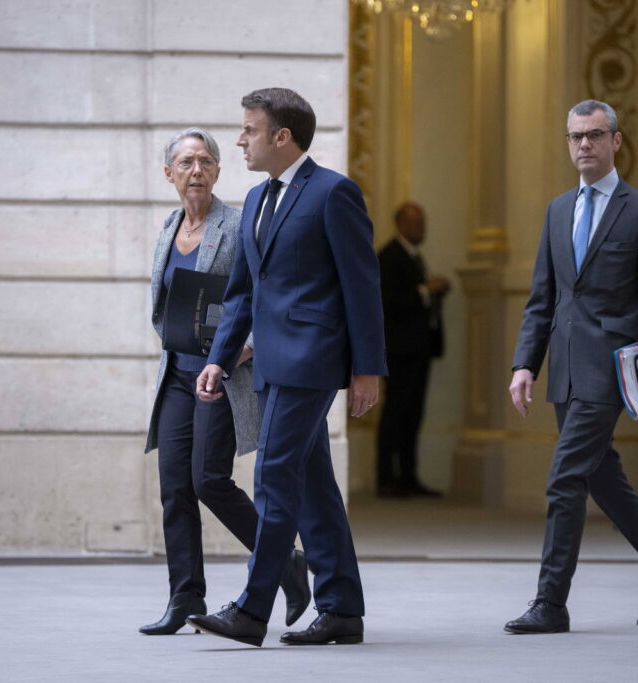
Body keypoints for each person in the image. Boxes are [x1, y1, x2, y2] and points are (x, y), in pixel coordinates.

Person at [187, 88, 387, 647]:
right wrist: (219, 359)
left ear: (282, 136)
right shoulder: (255, 199)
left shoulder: (333, 192)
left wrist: (367, 368)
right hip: (270, 365)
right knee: (314, 485)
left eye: (249, 130)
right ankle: (342, 610)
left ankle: (252, 611)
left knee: (274, 476)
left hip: (313, 360)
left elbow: (361, 285)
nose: (240, 140)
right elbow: (242, 292)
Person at [505, 100, 638, 634]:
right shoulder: (557, 210)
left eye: (594, 135)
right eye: (575, 136)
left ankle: (551, 603)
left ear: (616, 141)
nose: (584, 145)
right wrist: (525, 364)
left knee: (565, 478)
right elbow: (542, 298)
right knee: (603, 480)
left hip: (611, 369)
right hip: (565, 369)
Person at [140, 128, 309, 636]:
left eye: (206, 161)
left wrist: (246, 345)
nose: (196, 171)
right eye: (186, 163)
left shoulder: (237, 226)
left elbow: (266, 295)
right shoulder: (169, 226)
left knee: (208, 479)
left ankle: (284, 561)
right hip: (177, 374)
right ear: (168, 174)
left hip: (223, 374)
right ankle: (185, 596)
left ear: (217, 171)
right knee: (175, 487)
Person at [376, 201, 449, 498]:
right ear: (400, 224)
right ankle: (386, 477)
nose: (422, 229)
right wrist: (425, 290)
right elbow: (389, 301)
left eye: (423, 222)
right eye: (416, 223)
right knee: (395, 412)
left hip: (418, 348)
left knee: (413, 414)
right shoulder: (389, 256)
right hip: (399, 349)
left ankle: (408, 476)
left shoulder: (414, 256)